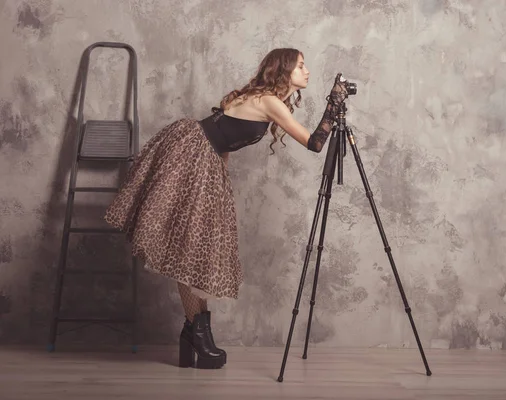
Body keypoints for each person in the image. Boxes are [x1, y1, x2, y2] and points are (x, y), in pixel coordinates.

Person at [104, 48, 349, 369]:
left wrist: (217, 182)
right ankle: (197, 336)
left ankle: (195, 333)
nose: (307, 71)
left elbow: (224, 139)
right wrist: (333, 105)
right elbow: (315, 143)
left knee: (191, 250)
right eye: (301, 65)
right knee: (189, 250)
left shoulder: (263, 98)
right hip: (192, 153)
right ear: (285, 70)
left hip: (197, 152)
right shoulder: (271, 102)